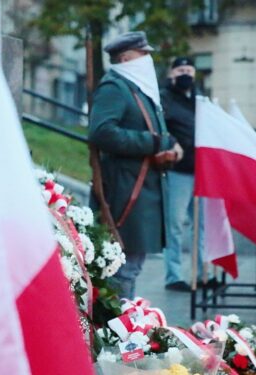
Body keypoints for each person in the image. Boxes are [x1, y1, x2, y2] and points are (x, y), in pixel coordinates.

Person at [89, 31, 183, 300]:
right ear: (127, 57)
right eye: (144, 53)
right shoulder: (115, 88)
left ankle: (124, 329)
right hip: (125, 188)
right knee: (124, 269)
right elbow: (102, 132)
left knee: (131, 267)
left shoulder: (135, 88)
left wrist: (166, 146)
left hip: (140, 187)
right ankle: (120, 332)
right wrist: (154, 143)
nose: (149, 59)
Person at [160, 57, 206, 292]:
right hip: (178, 172)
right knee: (175, 226)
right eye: (180, 70)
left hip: (202, 172)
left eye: (189, 69)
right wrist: (173, 142)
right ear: (171, 74)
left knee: (202, 227)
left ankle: (201, 274)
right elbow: (160, 128)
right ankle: (174, 276)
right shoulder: (164, 98)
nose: (185, 73)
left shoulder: (200, 99)